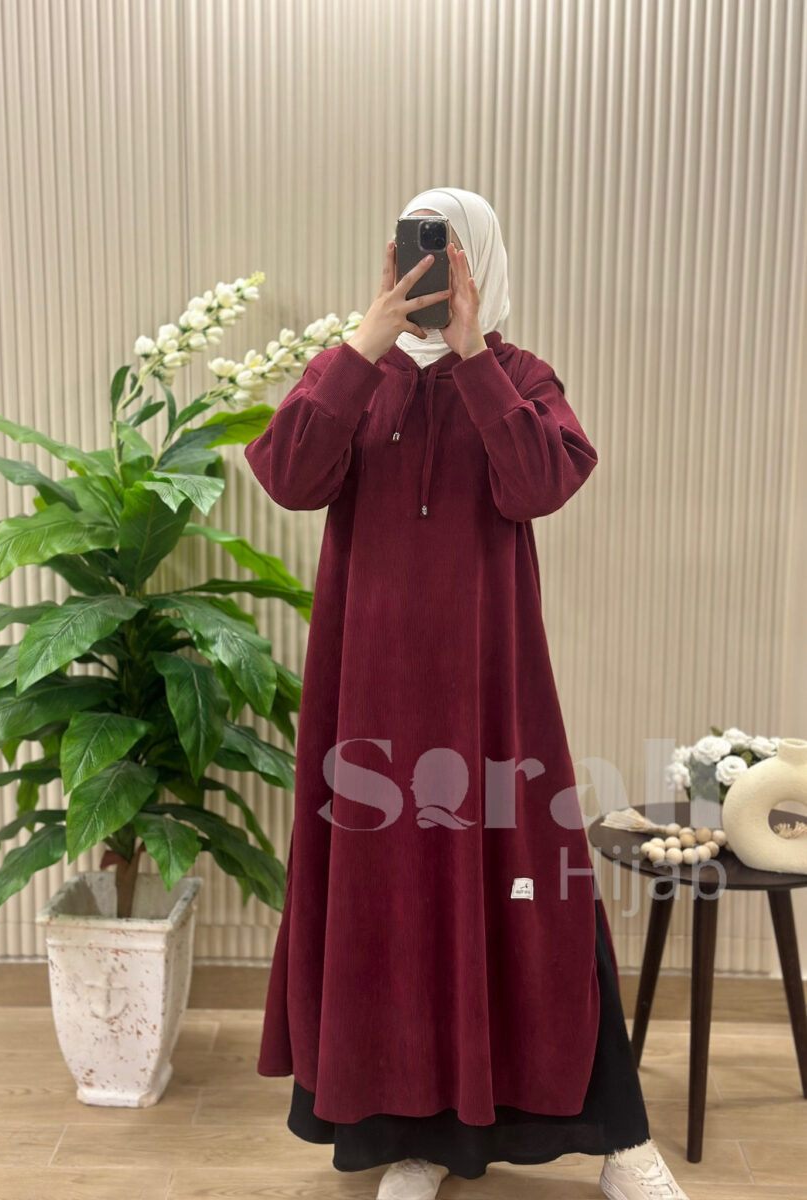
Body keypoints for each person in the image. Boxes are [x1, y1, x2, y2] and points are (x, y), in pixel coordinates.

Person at [243, 187, 690, 1200]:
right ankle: (415, 1141)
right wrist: (364, 344)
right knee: (390, 907)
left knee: (537, 899)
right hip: (368, 713)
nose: (427, 268)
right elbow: (289, 476)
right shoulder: (348, 376)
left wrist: (475, 352)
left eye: (445, 252)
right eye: (413, 248)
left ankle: (622, 1142)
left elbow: (538, 484)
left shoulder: (521, 376)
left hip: (494, 708)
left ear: (478, 260)